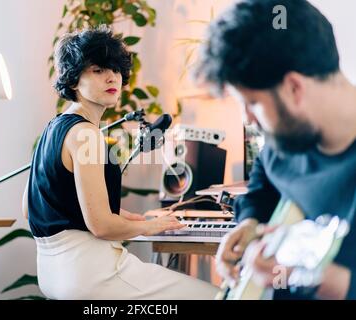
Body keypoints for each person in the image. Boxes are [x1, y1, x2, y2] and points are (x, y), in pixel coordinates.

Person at [22, 25, 218, 300]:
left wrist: (125, 215)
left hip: (55, 275)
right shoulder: (87, 134)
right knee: (219, 296)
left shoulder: (53, 129)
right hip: (93, 273)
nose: (111, 77)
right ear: (74, 80)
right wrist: (151, 226)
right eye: (98, 70)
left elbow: (33, 208)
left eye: (115, 70)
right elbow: (101, 226)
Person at [196, 0, 356, 299]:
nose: (247, 119)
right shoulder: (286, 140)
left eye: (252, 102)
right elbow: (262, 186)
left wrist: (308, 276)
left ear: (294, 88)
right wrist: (250, 222)